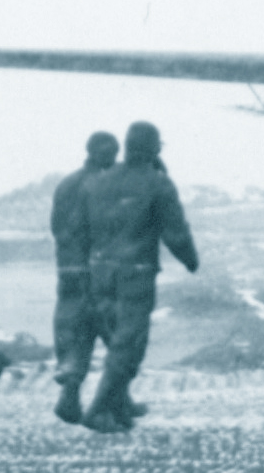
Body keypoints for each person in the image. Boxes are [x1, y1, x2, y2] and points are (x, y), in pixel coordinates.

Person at [80, 119, 200, 434]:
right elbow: (175, 232)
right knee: (129, 345)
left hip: (100, 271)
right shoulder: (158, 183)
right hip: (135, 274)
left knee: (115, 340)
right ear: (153, 148)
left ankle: (117, 408)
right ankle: (98, 411)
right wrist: (191, 260)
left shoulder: (100, 180)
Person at [48, 128, 119, 424]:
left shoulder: (66, 184)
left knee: (77, 334)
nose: (114, 159)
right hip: (97, 270)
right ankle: (111, 406)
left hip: (69, 271)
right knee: (117, 336)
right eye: (111, 154)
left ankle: (70, 398)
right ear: (97, 152)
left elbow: (57, 227)